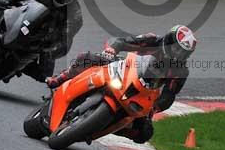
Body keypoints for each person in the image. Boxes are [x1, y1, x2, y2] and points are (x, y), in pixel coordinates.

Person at [45, 25, 198, 143]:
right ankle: (60, 78)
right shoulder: (152, 40)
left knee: (145, 132)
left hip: (144, 93)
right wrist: (112, 50)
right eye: (176, 49)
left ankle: (110, 127)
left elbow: (169, 96)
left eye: (183, 53)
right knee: (87, 58)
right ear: (168, 40)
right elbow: (121, 41)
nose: (178, 54)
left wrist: (155, 108)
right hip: (125, 69)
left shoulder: (180, 71)